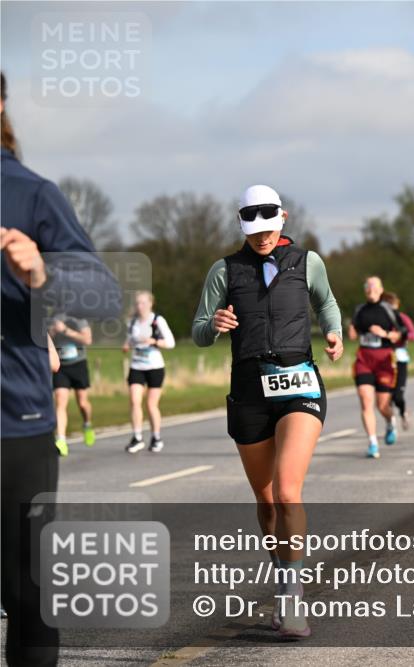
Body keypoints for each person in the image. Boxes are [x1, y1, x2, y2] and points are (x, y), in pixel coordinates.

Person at [2, 70, 122, 667]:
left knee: (25, 595)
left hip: (13, 426)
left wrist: (43, 273)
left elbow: (105, 294)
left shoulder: (29, 193)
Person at [192, 184, 344, 639]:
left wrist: (333, 332)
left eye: (269, 228)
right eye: (253, 230)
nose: (261, 238)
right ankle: (282, 581)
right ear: (242, 226)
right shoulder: (224, 271)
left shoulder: (308, 262)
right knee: (265, 499)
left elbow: (327, 302)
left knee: (286, 491)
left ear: (284, 219)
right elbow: (198, 329)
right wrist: (214, 325)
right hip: (249, 390)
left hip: (299, 382)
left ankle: (292, 599)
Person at [349, 276, 401, 459]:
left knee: (382, 404)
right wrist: (351, 330)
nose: (371, 289)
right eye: (368, 286)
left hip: (385, 359)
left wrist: (385, 333)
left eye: (374, 286)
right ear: (365, 290)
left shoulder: (388, 309)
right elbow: (353, 332)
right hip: (364, 358)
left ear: (380, 289)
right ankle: (372, 442)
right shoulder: (360, 310)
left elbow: (402, 333)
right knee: (365, 400)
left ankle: (390, 421)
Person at [123, 291, 175, 453]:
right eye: (137, 303)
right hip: (137, 366)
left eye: (143, 303)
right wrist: (126, 345)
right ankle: (137, 437)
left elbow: (171, 343)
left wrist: (154, 341)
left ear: (150, 303)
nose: (140, 306)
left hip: (154, 366)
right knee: (134, 400)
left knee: (151, 404)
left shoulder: (157, 320)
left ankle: (156, 437)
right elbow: (129, 340)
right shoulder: (133, 322)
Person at [49, 312, 96, 455]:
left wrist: (65, 330)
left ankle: (87, 424)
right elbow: (46, 340)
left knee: (82, 403)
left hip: (78, 364)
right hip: (61, 366)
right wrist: (52, 331)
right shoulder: (53, 318)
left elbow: (87, 340)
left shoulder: (79, 319)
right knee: (60, 402)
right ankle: (61, 440)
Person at [382, 292, 414, 430]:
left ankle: (403, 413)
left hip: (400, 359)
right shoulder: (379, 319)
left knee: (398, 395)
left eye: (394, 307)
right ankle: (390, 422)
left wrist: (400, 336)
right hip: (383, 360)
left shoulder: (402, 318)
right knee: (386, 395)